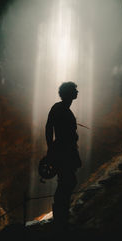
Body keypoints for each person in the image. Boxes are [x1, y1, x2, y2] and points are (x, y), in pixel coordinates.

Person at [45, 81, 82, 231]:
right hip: (64, 151)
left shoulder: (62, 108)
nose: (77, 92)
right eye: (75, 90)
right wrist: (51, 148)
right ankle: (61, 219)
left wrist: (51, 148)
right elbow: (49, 128)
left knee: (67, 181)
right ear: (68, 93)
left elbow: (49, 127)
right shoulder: (60, 108)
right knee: (67, 181)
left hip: (65, 150)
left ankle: (61, 216)